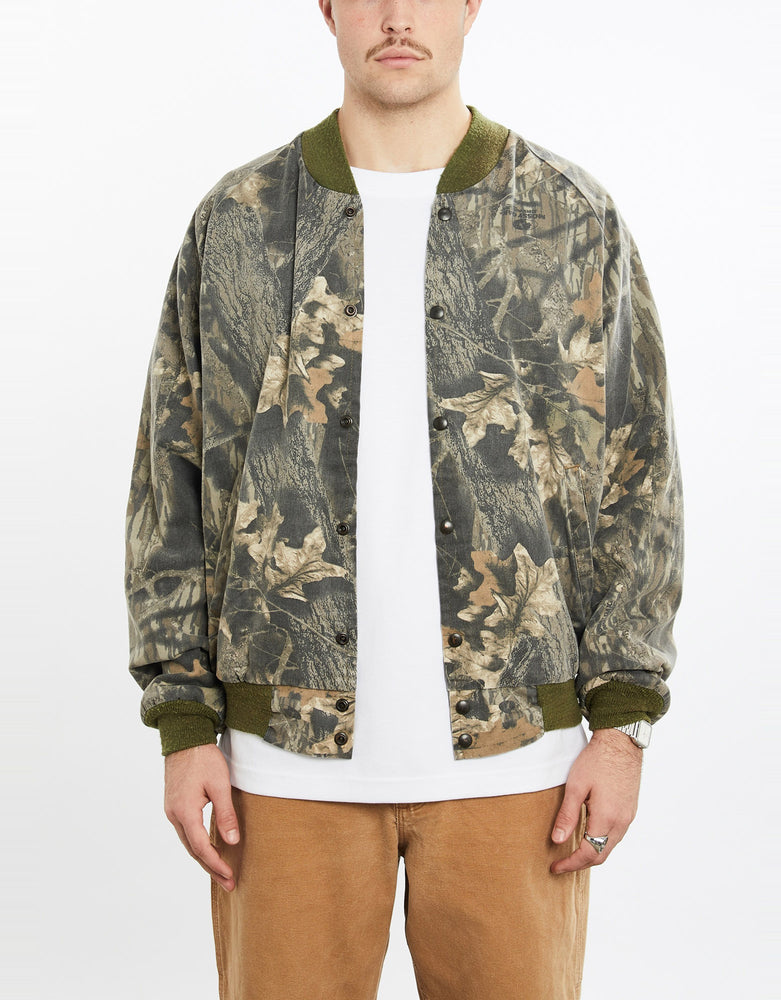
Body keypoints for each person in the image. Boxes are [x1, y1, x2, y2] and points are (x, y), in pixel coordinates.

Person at [124, 1, 683, 997]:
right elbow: (171, 476)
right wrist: (183, 720)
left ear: (470, 5)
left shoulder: (567, 218)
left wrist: (622, 724)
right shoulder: (239, 222)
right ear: (326, 9)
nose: (395, 16)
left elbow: (637, 479)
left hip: (518, 765)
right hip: (280, 767)